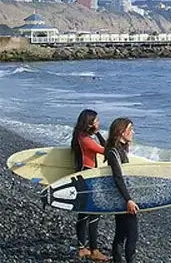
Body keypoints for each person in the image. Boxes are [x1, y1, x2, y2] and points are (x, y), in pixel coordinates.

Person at [70, 109, 109, 261]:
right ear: (90, 122)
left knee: (84, 212)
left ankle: (82, 248)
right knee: (94, 212)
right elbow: (105, 150)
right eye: (97, 121)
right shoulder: (85, 139)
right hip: (87, 177)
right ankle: (94, 250)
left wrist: (97, 133)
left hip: (82, 175)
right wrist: (98, 134)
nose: (99, 123)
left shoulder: (80, 135)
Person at [104, 117, 139, 263]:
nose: (133, 132)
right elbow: (118, 178)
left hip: (121, 197)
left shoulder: (120, 150)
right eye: (130, 129)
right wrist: (128, 200)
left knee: (121, 234)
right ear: (121, 132)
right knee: (131, 235)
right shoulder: (114, 152)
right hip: (122, 199)